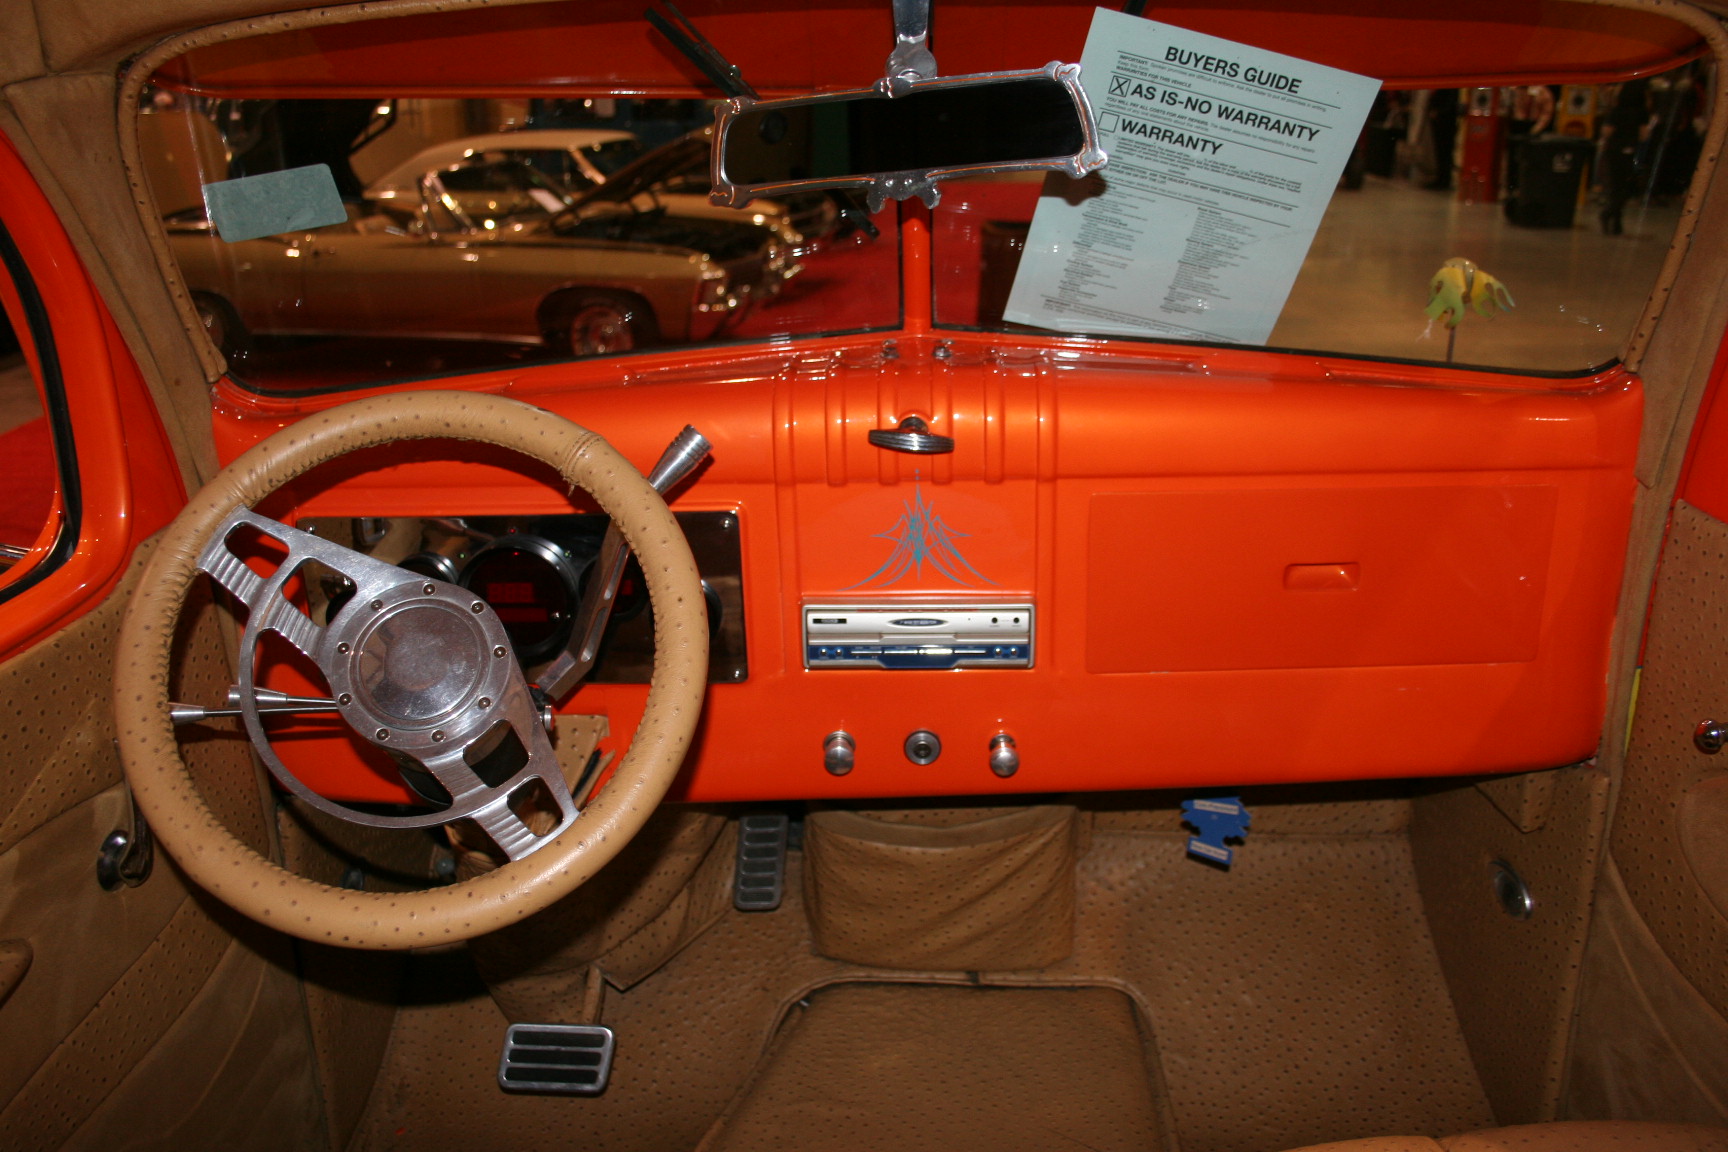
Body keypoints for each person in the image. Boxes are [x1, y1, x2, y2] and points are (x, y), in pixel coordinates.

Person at [1599, 79, 1653, 235]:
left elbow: (1607, 131)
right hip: (1631, 151)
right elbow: (1644, 136)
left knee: (1615, 186)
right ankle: (1614, 219)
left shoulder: (1617, 111)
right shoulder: (1642, 113)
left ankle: (1611, 216)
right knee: (1625, 187)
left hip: (1614, 150)